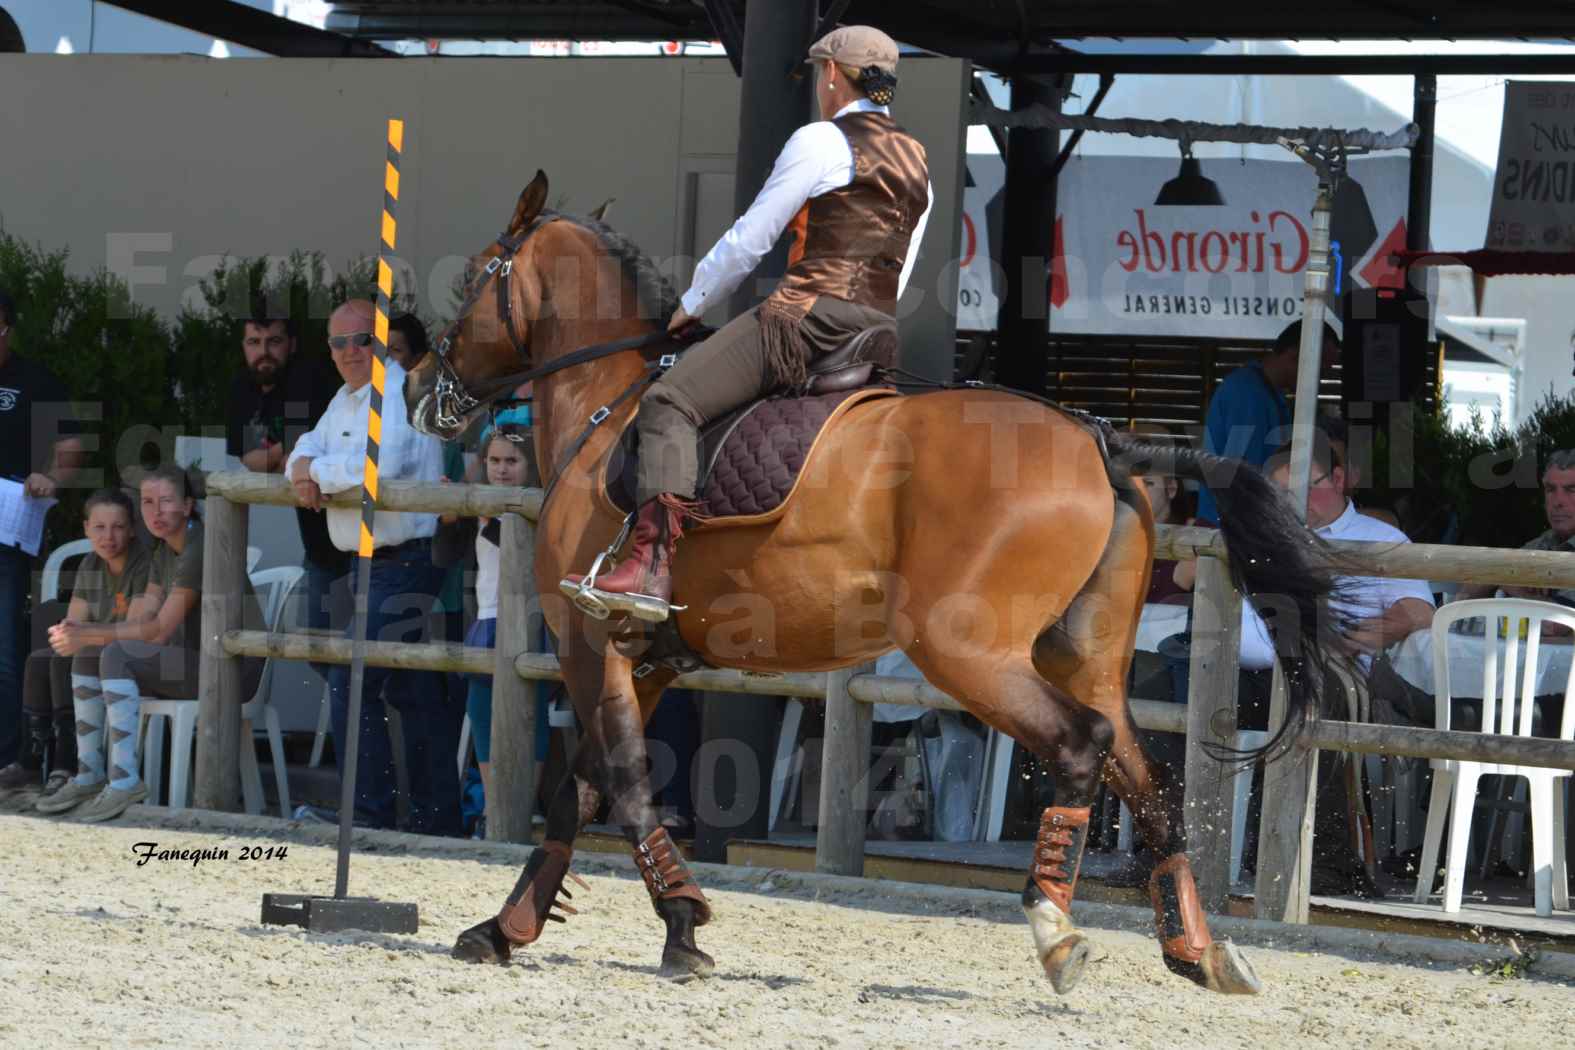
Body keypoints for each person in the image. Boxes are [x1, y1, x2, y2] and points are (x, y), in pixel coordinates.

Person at [563, 25, 933, 621]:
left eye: (820, 73)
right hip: (877, 331)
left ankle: (650, 567)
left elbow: (751, 239)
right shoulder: (918, 161)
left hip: (807, 319)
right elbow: (905, 262)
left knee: (670, 402)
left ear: (833, 75)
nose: (819, 84)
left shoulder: (820, 140)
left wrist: (695, 300)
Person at [1116, 432, 1434, 895]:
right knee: (1153, 697)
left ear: (1340, 479)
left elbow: (1417, 611)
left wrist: (1345, 640)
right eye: (1283, 492)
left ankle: (1322, 864)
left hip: (1327, 669)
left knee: (1315, 695)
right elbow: (1186, 573)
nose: (1297, 500)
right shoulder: (1261, 529)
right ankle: (1164, 851)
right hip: (1237, 668)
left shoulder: (1379, 537)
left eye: (1310, 486)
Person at [286, 299, 462, 836]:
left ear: (379, 341)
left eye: (360, 340)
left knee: (352, 676)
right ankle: (439, 820)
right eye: (337, 343)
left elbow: (375, 468)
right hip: (367, 564)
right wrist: (302, 465)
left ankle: (369, 813)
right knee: (411, 691)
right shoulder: (345, 398)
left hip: (407, 561)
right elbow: (306, 445)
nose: (348, 352)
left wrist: (313, 470)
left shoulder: (403, 391)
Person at [36, 467, 265, 822]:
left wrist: (89, 633)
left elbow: (157, 632)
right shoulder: (162, 552)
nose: (155, 512)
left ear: (188, 506)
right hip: (194, 663)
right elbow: (140, 623)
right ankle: (89, 773)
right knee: (89, 653)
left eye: (166, 502)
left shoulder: (198, 546)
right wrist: (81, 632)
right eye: (147, 502)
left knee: (113, 652)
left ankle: (125, 780)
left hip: (232, 670)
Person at [0, 489, 151, 796]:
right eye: (99, 527)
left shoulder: (142, 564)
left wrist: (80, 634)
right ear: (86, 529)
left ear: (132, 528)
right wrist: (67, 631)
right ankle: (31, 760)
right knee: (40, 658)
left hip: (129, 656)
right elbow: (76, 619)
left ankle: (66, 762)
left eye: (118, 527)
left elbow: (135, 628)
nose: (108, 536)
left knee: (62, 658)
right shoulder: (90, 564)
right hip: (96, 648)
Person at [226, 311, 353, 673]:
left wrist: (286, 451)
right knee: (319, 652)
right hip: (318, 543)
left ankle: (359, 729)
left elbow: (299, 446)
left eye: (274, 341)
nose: (264, 352)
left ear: (292, 345)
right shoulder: (242, 387)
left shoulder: (307, 377)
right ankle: (354, 727)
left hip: (360, 542)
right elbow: (252, 460)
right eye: (254, 342)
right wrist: (288, 452)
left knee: (363, 658)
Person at [438, 423, 547, 834]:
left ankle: (524, 805)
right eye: (494, 461)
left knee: (527, 711)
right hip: (487, 615)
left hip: (531, 617)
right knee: (481, 709)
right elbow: (444, 557)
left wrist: (486, 516)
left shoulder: (538, 501)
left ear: (529, 466)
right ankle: (493, 806)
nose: (501, 471)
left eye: (512, 462)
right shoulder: (482, 502)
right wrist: (450, 516)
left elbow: (529, 554)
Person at [0, 287, 84, 771]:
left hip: (8, 536)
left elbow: (73, 442)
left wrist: (51, 477)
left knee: (6, 651)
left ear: (8, 329)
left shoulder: (34, 380)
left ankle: (8, 756)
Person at [1195, 319, 1340, 526]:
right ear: (1295, 357)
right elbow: (1245, 474)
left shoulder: (1268, 393)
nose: (1319, 379)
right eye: (1321, 369)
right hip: (1230, 528)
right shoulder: (1247, 394)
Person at [1457, 448, 1575, 621]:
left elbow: (1557, 623)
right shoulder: (1545, 543)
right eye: (1550, 489)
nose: (1558, 501)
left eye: (1571, 490)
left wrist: (1512, 584)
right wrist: (1504, 574)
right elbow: (1463, 596)